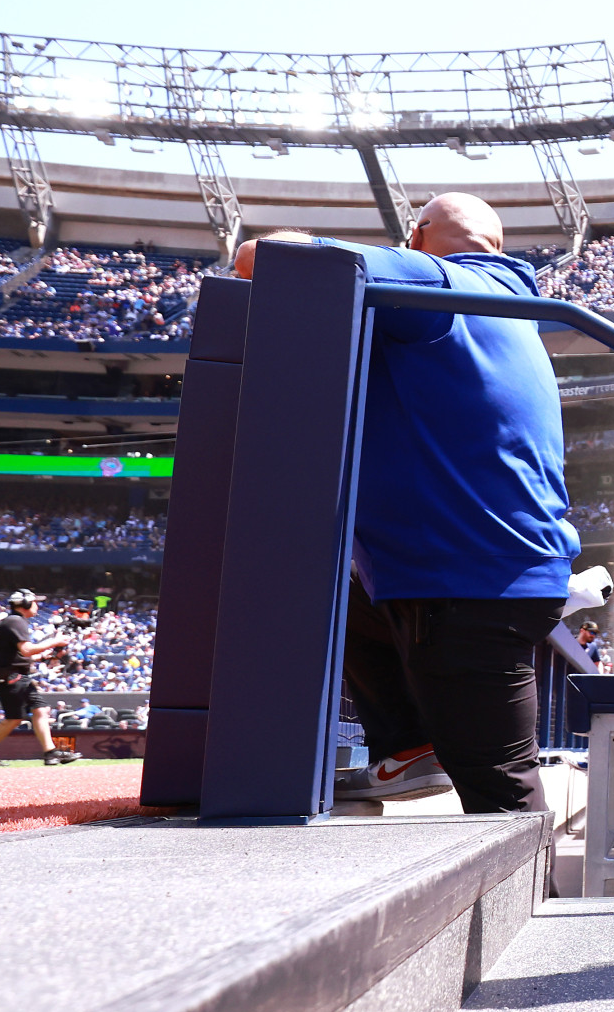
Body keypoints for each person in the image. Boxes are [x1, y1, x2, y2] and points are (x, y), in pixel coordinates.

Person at [233, 195, 578, 813]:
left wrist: (394, 258)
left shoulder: (437, 280)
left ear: (417, 235)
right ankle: (413, 747)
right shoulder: (506, 303)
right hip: (473, 569)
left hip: (470, 584)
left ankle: (528, 905)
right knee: (337, 594)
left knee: (501, 793)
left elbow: (261, 258)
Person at [0, 590, 82, 766]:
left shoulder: (11, 621)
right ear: (26, 604)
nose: (37, 605)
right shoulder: (16, 621)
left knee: (33, 712)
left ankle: (48, 753)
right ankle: (48, 753)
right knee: (21, 716)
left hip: (8, 675)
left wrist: (46, 656)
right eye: (35, 602)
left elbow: (19, 656)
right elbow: (27, 650)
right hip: (10, 677)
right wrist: (55, 641)